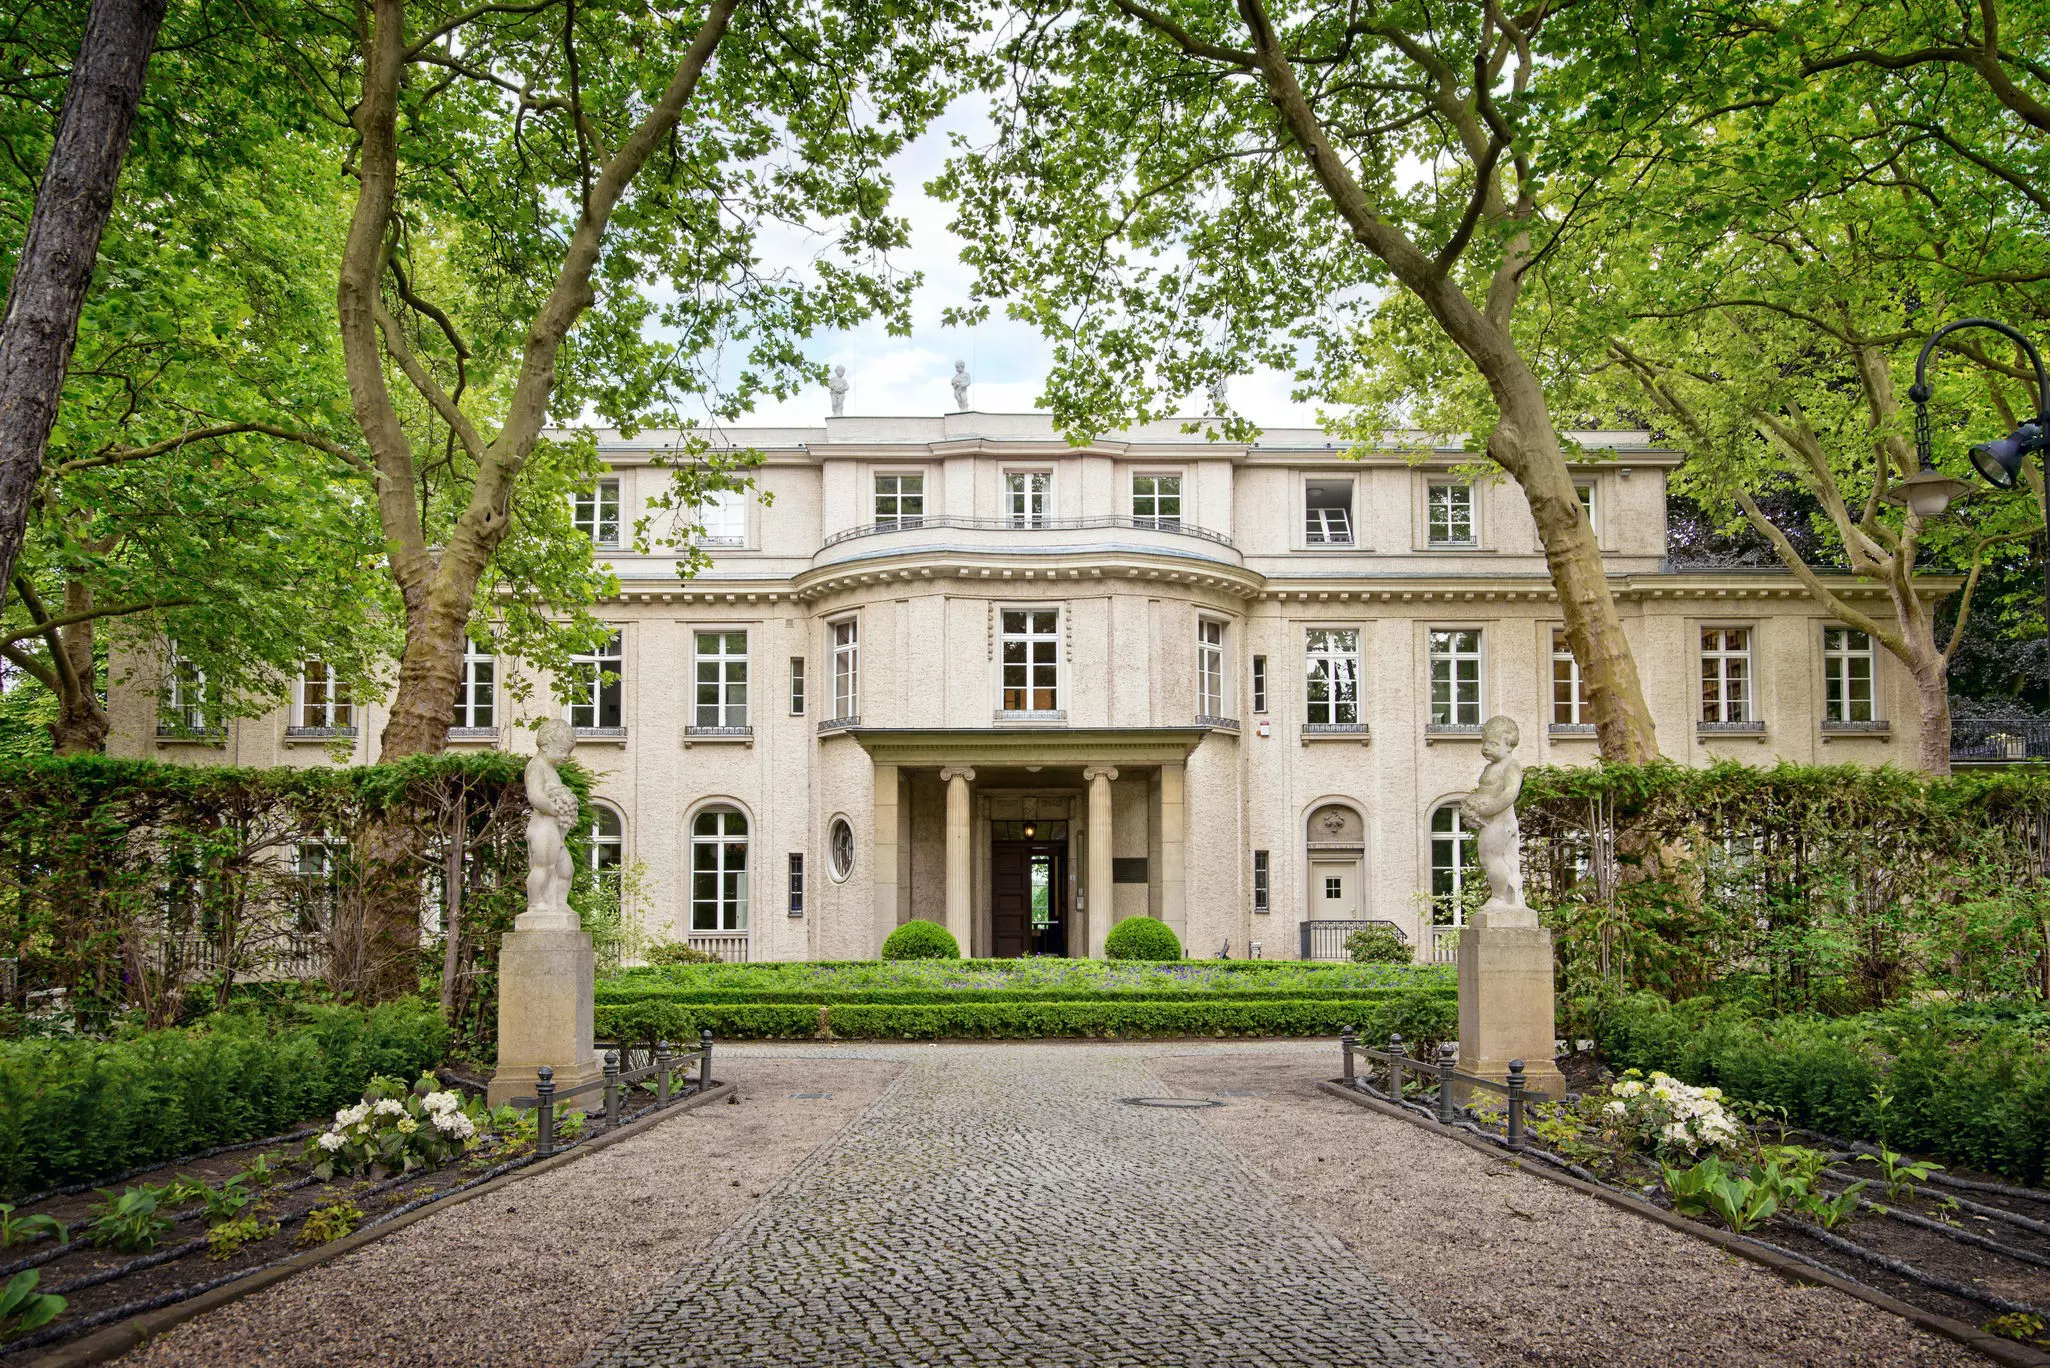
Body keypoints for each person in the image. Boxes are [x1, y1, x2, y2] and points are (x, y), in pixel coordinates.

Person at [1460, 715, 1525, 913]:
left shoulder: (1510, 767)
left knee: (1492, 857)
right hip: (1489, 821)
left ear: (1509, 745)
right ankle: (1501, 896)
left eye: (1493, 744)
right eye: (1485, 744)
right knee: (1487, 858)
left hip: (1500, 821)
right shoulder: (1491, 767)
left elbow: (1510, 793)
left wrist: (1488, 809)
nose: (1486, 748)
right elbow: (1485, 791)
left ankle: (1500, 898)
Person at [523, 718, 579, 927]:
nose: (566, 756)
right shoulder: (536, 766)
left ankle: (558, 903)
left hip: (554, 829)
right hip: (543, 827)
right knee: (543, 867)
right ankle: (535, 904)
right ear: (546, 745)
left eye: (569, 752)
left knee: (566, 870)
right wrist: (557, 807)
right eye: (563, 750)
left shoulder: (550, 769)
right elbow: (535, 796)